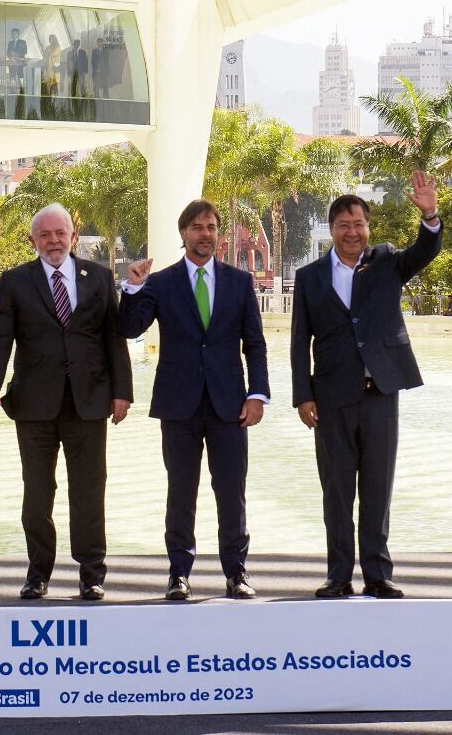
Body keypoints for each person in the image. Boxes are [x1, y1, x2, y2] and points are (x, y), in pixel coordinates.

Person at [290, 171, 441, 601]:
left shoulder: (388, 261)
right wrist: (303, 394)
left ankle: (377, 574)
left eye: (358, 224)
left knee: (377, 490)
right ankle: (339, 575)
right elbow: (300, 340)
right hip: (331, 398)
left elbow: (426, 250)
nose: (352, 232)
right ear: (332, 230)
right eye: (343, 225)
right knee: (337, 492)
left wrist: (430, 214)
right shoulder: (310, 276)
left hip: (381, 393)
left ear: (367, 228)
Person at [0, 204, 132, 600]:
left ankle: (92, 574)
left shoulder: (97, 277)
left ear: (72, 236)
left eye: (60, 233)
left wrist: (121, 392)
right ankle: (38, 573)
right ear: (33, 241)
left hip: (89, 402)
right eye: (44, 235)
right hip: (34, 405)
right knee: (37, 493)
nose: (53, 241)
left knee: (89, 491)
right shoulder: (15, 281)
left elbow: (113, 339)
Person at [119, 200, 268, 601]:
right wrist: (132, 288)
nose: (205, 234)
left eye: (212, 227)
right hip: (179, 405)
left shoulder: (239, 281)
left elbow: (254, 344)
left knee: (231, 490)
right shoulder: (160, 282)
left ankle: (236, 572)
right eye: (197, 227)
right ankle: (179, 573)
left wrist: (257, 394)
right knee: (180, 492)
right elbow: (130, 327)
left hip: (230, 405)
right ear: (183, 233)